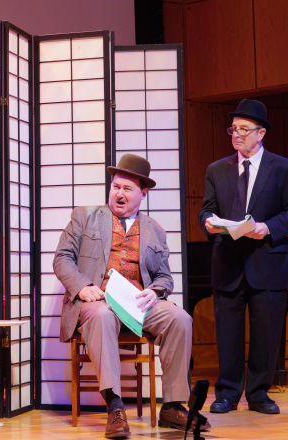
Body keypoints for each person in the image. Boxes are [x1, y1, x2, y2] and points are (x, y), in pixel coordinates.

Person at [54, 154, 209, 439]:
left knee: (179, 318)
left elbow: (165, 278)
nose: (119, 194)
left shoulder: (155, 229)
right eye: (116, 187)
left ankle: (172, 406)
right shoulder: (85, 216)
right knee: (102, 315)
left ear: (143, 193)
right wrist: (82, 286)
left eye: (127, 188)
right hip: (97, 302)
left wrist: (154, 291)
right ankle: (115, 407)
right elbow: (62, 258)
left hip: (137, 303)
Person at [199, 99, 288, 415]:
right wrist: (207, 222)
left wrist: (267, 227)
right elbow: (206, 209)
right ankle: (227, 394)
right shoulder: (216, 169)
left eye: (244, 129)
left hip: (267, 260)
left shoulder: (284, 168)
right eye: (234, 129)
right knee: (228, 333)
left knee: (266, 333)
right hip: (227, 261)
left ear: (261, 133)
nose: (237, 135)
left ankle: (259, 394)